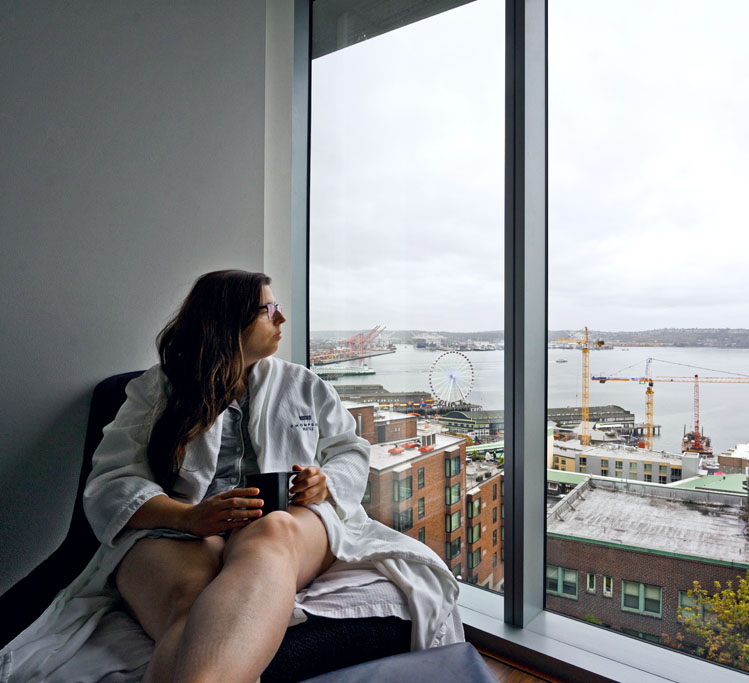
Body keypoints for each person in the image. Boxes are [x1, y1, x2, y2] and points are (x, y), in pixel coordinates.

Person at [1, 270, 461, 682]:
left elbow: (350, 450)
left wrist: (326, 482)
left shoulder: (303, 384)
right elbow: (112, 480)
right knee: (191, 602)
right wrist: (189, 518)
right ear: (228, 320)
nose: (281, 320)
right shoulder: (158, 390)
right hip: (181, 530)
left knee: (273, 528)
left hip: (289, 520)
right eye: (269, 310)